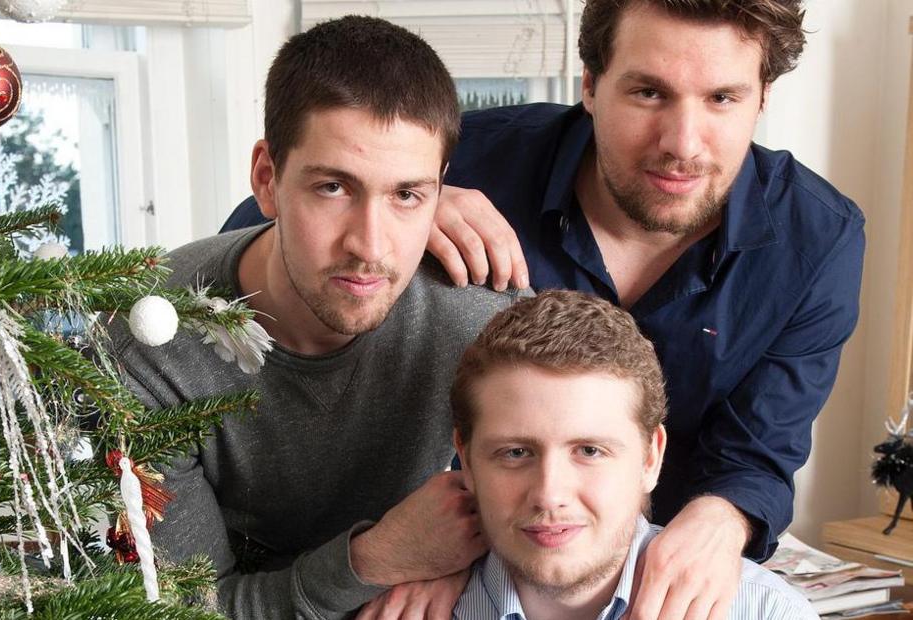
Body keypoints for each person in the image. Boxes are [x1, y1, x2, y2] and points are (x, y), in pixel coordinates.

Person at [221, 1, 864, 617]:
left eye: (723, 98)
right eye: (648, 93)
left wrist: (720, 522)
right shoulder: (473, 160)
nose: (682, 143)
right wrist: (403, 212)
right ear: (590, 83)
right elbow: (267, 248)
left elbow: (759, 449)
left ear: (762, 98)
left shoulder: (818, 240)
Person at [108, 16, 522, 619]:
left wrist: (467, 567)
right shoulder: (150, 343)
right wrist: (376, 560)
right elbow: (186, 610)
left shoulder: (477, 315)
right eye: (333, 187)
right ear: (267, 180)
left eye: (406, 194)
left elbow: (585, 507)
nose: (371, 246)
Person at [449, 290, 817, 620]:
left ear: (650, 458)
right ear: (465, 460)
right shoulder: (402, 606)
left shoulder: (769, 613)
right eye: (515, 453)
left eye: (590, 451)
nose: (549, 494)